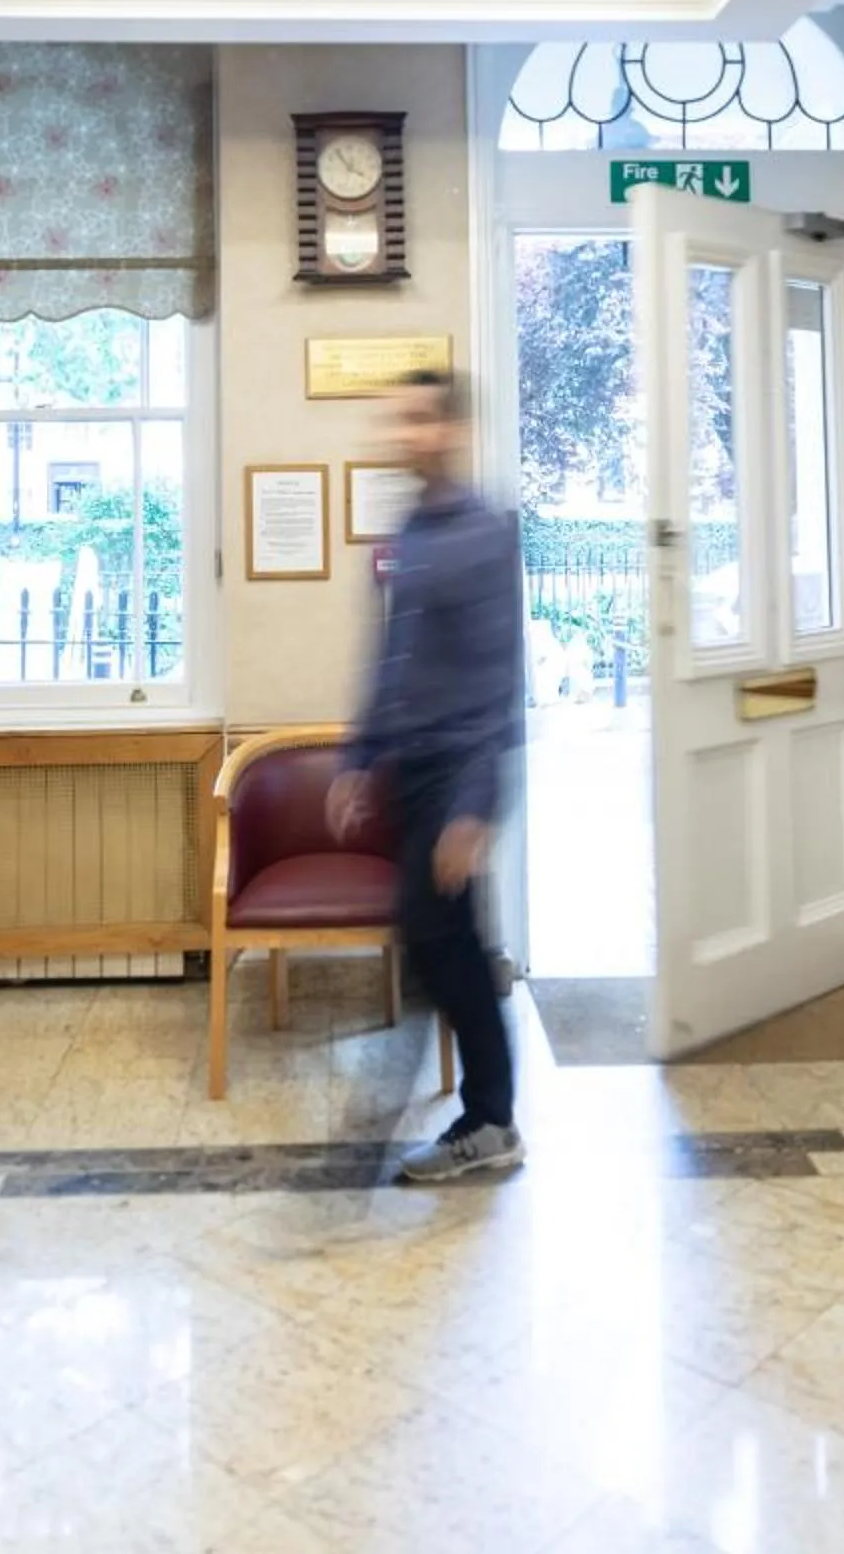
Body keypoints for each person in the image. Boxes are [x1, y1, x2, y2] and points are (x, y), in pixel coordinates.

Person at [329, 369, 527, 1181]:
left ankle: (490, 1120)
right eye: (395, 422)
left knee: (448, 943)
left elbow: (496, 678)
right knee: (436, 940)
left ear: (448, 430)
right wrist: (358, 755)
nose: (400, 436)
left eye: (414, 421)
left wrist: (473, 810)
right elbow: (393, 657)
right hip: (413, 765)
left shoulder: (484, 534)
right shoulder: (409, 529)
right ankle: (481, 1108)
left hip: (458, 770)